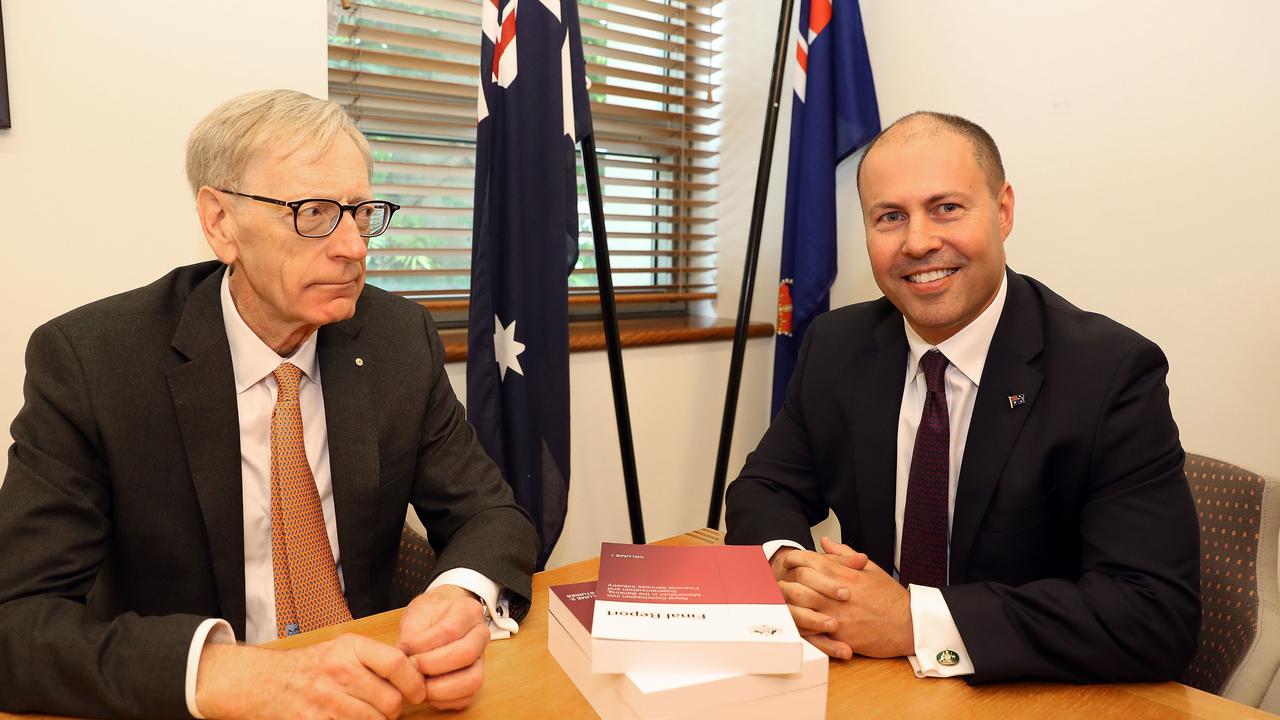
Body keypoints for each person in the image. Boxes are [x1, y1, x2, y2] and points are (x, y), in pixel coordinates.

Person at [0, 89, 539, 719]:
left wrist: (462, 597)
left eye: (361, 212)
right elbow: (16, 620)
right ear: (220, 222)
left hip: (373, 691)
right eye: (313, 213)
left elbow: (492, 515)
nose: (354, 247)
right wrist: (226, 674)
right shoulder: (94, 363)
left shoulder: (396, 338)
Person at [725, 111, 1200, 684]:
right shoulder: (838, 345)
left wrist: (913, 621)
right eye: (890, 217)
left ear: (1003, 212)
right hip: (874, 683)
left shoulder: (1110, 373)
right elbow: (765, 486)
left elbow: (1153, 616)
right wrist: (788, 570)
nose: (918, 242)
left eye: (946, 208)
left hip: (1023, 694)